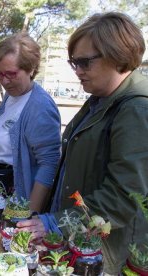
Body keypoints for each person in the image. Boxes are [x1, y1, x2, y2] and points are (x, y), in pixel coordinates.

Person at [17, 12, 148, 275]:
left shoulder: (136, 109)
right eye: (74, 62)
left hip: (102, 253)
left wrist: (57, 223)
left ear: (117, 54)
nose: (77, 71)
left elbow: (124, 197)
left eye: (84, 62)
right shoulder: (101, 99)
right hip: (83, 241)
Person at [0, 32, 61, 212]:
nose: (4, 81)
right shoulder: (11, 94)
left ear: (31, 69)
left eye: (10, 74)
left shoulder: (40, 107)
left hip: (18, 199)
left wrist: (29, 213)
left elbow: (49, 164)